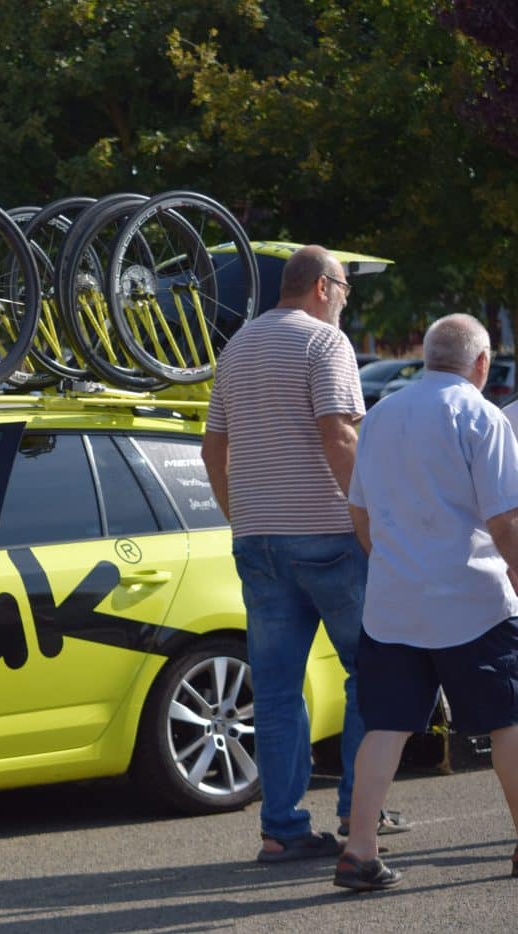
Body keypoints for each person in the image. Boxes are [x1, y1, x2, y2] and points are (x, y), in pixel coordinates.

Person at [203, 245, 404, 863]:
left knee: (276, 689)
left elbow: (212, 449)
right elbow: (340, 434)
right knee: (372, 672)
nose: (345, 299)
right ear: (321, 287)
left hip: (257, 542)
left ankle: (282, 829)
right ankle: (357, 810)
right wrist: (372, 524)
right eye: (344, 288)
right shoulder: (325, 343)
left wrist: (242, 518)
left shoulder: (236, 348)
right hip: (328, 537)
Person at [337, 314, 518, 891]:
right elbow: (505, 521)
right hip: (473, 601)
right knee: (508, 722)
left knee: (385, 726)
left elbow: (359, 512)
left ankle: (358, 851)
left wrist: (392, 561)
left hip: (393, 603)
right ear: (481, 363)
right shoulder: (482, 417)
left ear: (424, 355)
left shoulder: (381, 414)